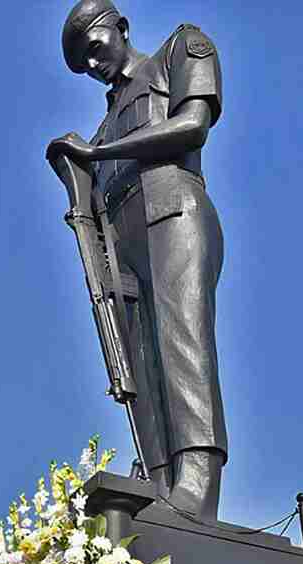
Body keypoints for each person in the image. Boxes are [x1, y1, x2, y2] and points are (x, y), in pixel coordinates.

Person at [48, 0, 226, 522]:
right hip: (125, 243)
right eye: (82, 63)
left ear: (120, 28)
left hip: (173, 211)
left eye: (95, 49)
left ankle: (198, 481)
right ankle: (163, 478)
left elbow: (193, 125)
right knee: (142, 364)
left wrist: (95, 157)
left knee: (182, 343)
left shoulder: (179, 51)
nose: (92, 65)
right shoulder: (103, 127)